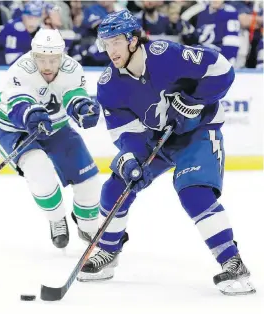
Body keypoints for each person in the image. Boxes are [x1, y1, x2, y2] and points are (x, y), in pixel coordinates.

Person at [77, 10, 256, 296]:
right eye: (106, 44)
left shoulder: (166, 55)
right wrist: (132, 159)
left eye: (116, 42)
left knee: (193, 191)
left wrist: (193, 101)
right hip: (156, 138)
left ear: (134, 40)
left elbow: (222, 69)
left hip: (197, 131)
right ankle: (108, 252)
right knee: (116, 187)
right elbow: (125, 132)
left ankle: (233, 263)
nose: (111, 51)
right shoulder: (108, 84)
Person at [0, 28, 101, 249]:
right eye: (41, 59)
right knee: (39, 172)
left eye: (53, 59)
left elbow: (73, 96)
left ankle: (88, 227)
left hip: (56, 128)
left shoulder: (73, 68)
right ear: (33, 56)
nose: (47, 66)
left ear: (62, 56)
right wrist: (30, 114)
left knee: (89, 183)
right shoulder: (20, 69)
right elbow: (19, 104)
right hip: (14, 129)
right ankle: (57, 219)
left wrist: (83, 109)